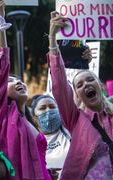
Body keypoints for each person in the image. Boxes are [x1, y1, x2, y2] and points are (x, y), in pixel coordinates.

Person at [0, 0, 51, 179]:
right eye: (10, 81)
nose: (18, 82)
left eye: (19, 79)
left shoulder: (30, 119)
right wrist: (0, 24)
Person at [48, 11, 113, 179]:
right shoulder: (76, 120)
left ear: (99, 85)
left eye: (90, 80)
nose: (86, 85)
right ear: (76, 95)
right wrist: (53, 40)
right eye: (79, 85)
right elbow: (60, 86)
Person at [31, 95, 71, 178]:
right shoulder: (32, 141)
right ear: (34, 118)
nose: (48, 110)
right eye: (42, 108)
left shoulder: (70, 131)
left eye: (52, 107)